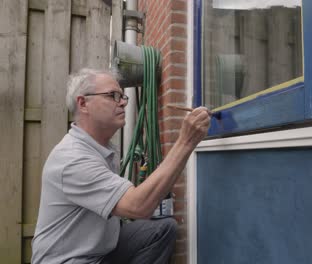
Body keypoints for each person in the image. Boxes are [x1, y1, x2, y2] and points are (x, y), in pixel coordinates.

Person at [31, 68, 211, 264]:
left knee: (162, 229)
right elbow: (139, 206)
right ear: (83, 103)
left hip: (101, 251)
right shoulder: (73, 159)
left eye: (123, 96)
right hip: (71, 260)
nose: (124, 102)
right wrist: (185, 142)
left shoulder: (104, 149)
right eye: (113, 96)